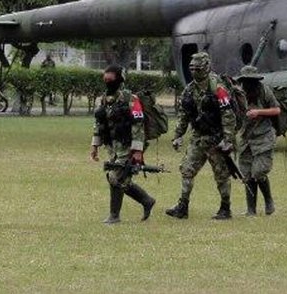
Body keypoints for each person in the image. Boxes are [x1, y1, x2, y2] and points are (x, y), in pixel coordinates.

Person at [166, 52, 236, 220]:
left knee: (221, 175)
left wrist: (228, 140)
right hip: (198, 138)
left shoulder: (218, 88)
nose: (194, 72)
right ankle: (182, 206)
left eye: (198, 68)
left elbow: (228, 115)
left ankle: (225, 208)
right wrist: (178, 135)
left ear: (206, 67)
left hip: (216, 139)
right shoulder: (189, 90)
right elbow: (184, 114)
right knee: (187, 170)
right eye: (192, 68)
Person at [89, 65, 155, 224]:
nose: (108, 82)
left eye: (111, 80)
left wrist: (137, 150)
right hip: (112, 146)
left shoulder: (130, 99)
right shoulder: (104, 99)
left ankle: (114, 216)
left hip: (128, 146)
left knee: (115, 177)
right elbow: (98, 123)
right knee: (121, 180)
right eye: (105, 80)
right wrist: (95, 145)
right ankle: (146, 200)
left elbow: (138, 125)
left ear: (120, 80)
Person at [234, 65, 280, 216]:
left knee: (259, 172)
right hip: (246, 139)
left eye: (252, 80)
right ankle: (251, 209)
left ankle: (268, 201)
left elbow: (276, 110)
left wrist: (259, 112)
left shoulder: (264, 91)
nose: (249, 84)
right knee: (247, 175)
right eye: (246, 80)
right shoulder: (237, 93)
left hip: (264, 137)